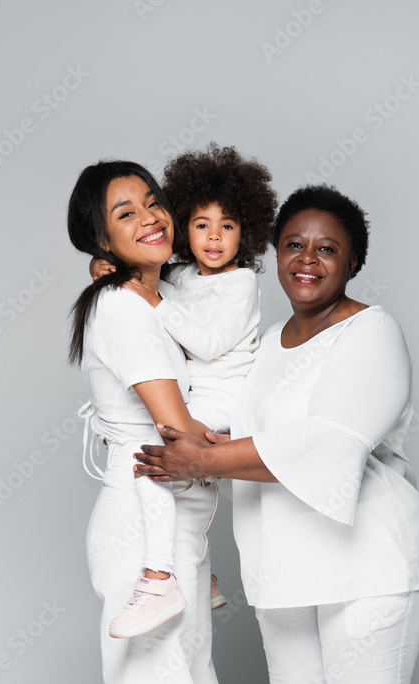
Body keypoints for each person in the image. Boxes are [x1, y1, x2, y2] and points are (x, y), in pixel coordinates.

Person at [134, 184, 419, 684]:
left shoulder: (373, 333)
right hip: (283, 564)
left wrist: (203, 458)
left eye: (326, 247)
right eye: (294, 245)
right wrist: (176, 436)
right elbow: (238, 425)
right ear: (275, 256)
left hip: (368, 562)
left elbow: (325, 443)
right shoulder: (270, 342)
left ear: (354, 262)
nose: (307, 259)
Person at [67, 159, 245, 684]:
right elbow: (178, 431)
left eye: (151, 202)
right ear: (98, 238)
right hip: (143, 528)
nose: (148, 216)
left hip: (177, 525)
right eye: (123, 210)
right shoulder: (122, 308)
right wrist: (251, 441)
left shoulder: (153, 296)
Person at [91, 144, 277, 640]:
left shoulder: (240, 283)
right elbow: (144, 277)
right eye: (200, 225)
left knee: (158, 458)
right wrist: (109, 270)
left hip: (223, 396)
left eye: (229, 226)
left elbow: (206, 339)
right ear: (184, 227)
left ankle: (158, 577)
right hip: (199, 390)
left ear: (248, 233)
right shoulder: (182, 275)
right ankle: (200, 574)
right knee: (173, 473)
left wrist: (150, 297)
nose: (214, 237)